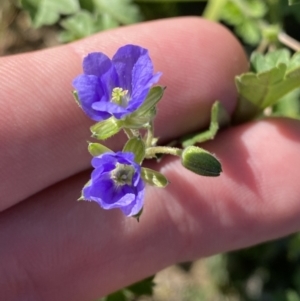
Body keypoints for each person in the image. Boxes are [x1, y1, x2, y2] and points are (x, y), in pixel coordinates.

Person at [1, 17, 299, 301]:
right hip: (127, 140)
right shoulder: (121, 157)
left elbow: (134, 84)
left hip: (134, 127)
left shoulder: (132, 112)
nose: (119, 95)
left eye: (120, 94)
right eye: (116, 95)